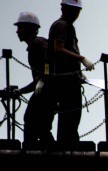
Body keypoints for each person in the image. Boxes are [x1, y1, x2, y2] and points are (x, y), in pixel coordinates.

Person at [47, 0, 94, 147]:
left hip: (70, 79)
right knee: (69, 117)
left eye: (77, 11)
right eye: (73, 10)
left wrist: (78, 72)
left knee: (72, 118)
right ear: (64, 9)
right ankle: (67, 147)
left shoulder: (68, 26)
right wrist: (81, 58)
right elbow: (58, 49)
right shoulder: (61, 25)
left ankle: (69, 144)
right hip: (65, 82)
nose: (76, 14)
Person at [12, 12, 56, 148]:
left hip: (47, 93)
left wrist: (43, 78)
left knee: (32, 122)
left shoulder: (37, 45)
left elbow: (49, 63)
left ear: (28, 29)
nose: (17, 31)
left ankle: (30, 152)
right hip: (47, 92)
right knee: (41, 127)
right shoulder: (38, 44)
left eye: (20, 28)